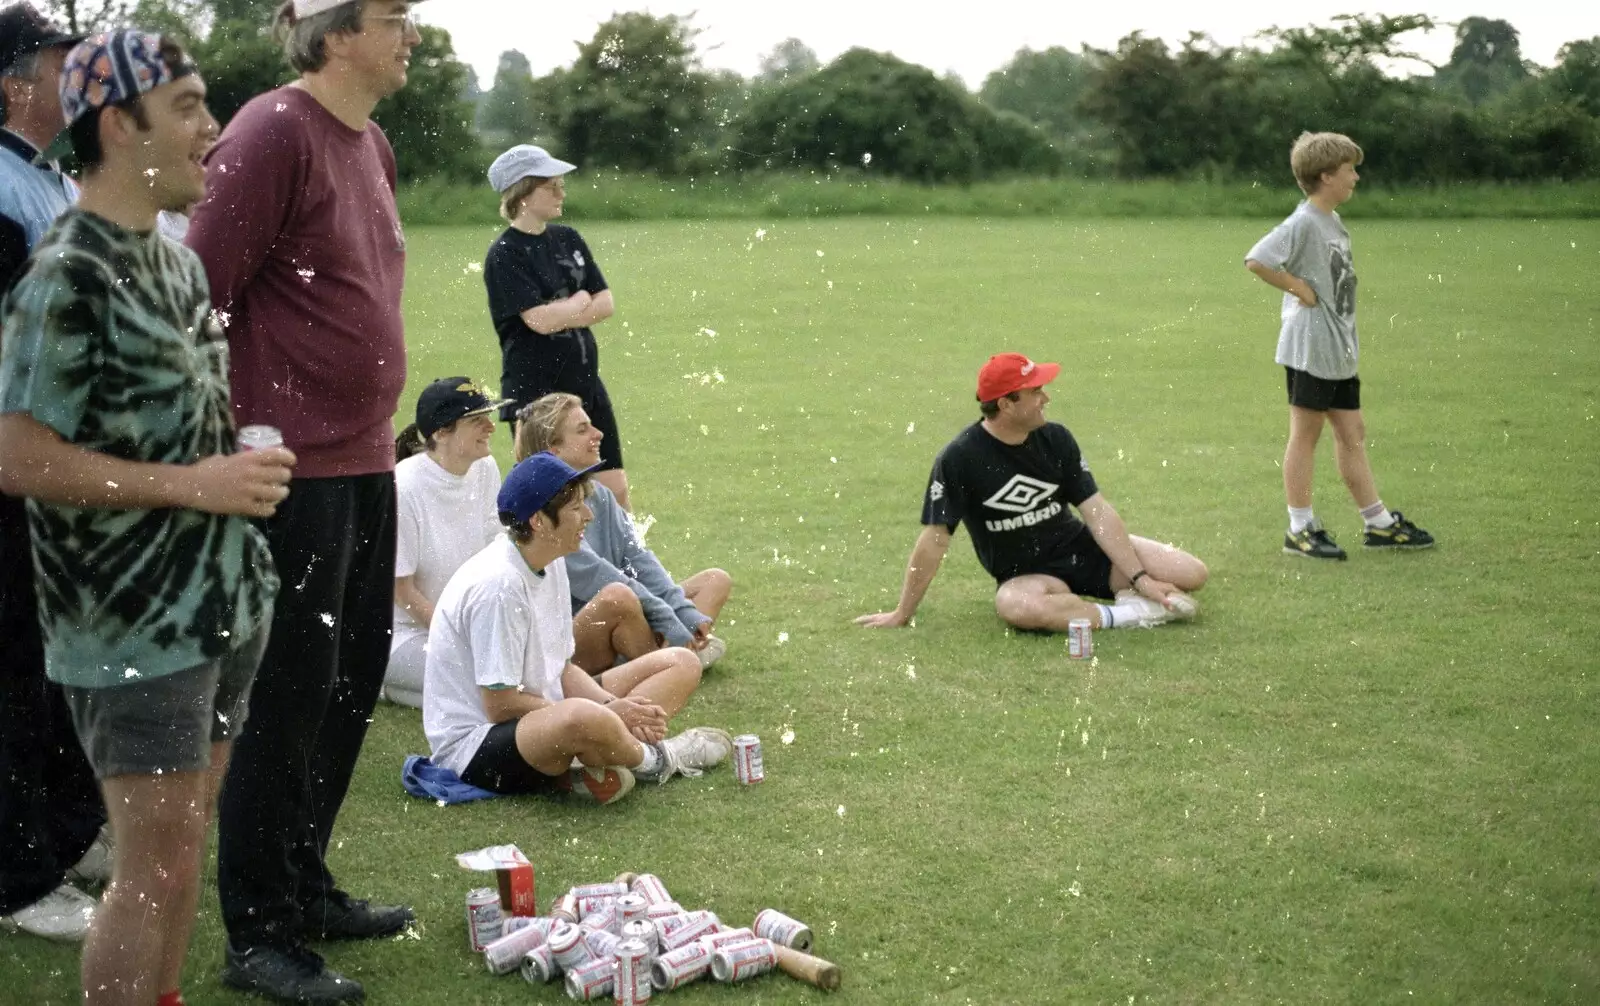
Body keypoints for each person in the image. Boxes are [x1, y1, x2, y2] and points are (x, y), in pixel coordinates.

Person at [0, 29, 291, 1005]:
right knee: (151, 867)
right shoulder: (64, 275)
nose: (213, 128)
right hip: (130, 628)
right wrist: (194, 486)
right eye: (190, 107)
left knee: (181, 854)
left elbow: (186, 440)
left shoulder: (173, 265)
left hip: (219, 603)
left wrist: (235, 476)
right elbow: (17, 455)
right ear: (119, 125)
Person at [184, 1, 419, 999]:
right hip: (290, 473)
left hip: (365, 459)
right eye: (394, 16)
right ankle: (259, 934)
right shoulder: (271, 130)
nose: (414, 32)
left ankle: (305, 884)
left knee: (346, 685)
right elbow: (199, 287)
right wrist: (229, 445)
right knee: (284, 701)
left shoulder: (374, 144)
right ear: (335, 34)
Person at [423, 452, 733, 804]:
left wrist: (615, 706)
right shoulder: (500, 586)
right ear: (539, 520)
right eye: (575, 509)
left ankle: (600, 756)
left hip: (543, 714)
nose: (588, 515)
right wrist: (606, 714)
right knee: (582, 716)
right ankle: (660, 759)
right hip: (477, 745)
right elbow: (500, 705)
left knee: (682, 663)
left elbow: (563, 668)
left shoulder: (550, 561)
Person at [0, 1, 109, 945]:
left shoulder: (49, 180)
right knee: (14, 673)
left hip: (68, 466)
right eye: (57, 63)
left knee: (67, 661)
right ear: (12, 82)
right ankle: (19, 877)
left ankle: (68, 836)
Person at [856, 353, 1207, 634]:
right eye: (1035, 391)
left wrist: (1140, 578)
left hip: (1082, 552)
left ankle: (1121, 598)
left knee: (1192, 573)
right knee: (1015, 606)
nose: (1046, 397)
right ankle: (1131, 613)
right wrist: (903, 612)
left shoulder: (1055, 439)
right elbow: (934, 541)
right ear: (1006, 405)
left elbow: (1097, 512)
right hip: (1025, 575)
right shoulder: (959, 458)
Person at [1245, 131, 1434, 560]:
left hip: (1338, 349)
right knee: (1305, 434)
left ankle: (1377, 522)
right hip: (1311, 347)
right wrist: (1296, 287)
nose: (1356, 177)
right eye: (1350, 169)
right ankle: (1300, 528)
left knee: (1351, 432)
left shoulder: (1330, 220)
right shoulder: (1304, 221)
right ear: (1326, 175)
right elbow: (1258, 258)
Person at [515, 392, 732, 671]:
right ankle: (668, 663)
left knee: (715, 580)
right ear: (552, 450)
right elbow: (600, 577)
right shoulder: (543, 508)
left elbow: (637, 556)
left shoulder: (597, 493)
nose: (599, 434)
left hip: (621, 613)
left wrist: (682, 611)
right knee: (618, 596)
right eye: (583, 430)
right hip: (570, 641)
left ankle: (670, 656)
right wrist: (667, 617)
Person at [484, 144, 632, 510]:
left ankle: (630, 570)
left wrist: (564, 311)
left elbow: (607, 303)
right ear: (522, 193)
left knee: (615, 491)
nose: (561, 192)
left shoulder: (569, 238)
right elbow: (538, 320)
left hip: (585, 386)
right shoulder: (506, 254)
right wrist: (580, 301)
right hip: (536, 394)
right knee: (548, 500)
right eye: (551, 186)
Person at [383, 377, 509, 709]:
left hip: (461, 629)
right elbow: (402, 591)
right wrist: (460, 638)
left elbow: (494, 553)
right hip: (403, 634)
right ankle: (385, 681)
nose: (490, 427)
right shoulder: (405, 486)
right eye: (476, 420)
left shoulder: (484, 468)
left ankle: (391, 690)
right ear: (441, 433)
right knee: (489, 687)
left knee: (507, 675)